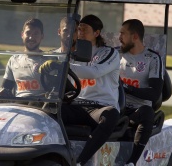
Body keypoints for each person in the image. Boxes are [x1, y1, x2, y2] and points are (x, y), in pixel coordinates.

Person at [60, 14, 121, 165]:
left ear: (96, 33)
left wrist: (64, 66)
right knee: (50, 109)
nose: (80, 33)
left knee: (110, 115)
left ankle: (80, 162)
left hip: (99, 107)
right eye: (78, 29)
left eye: (84, 29)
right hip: (77, 105)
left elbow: (94, 72)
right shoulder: (72, 53)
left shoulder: (110, 53)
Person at [118, 19, 164, 166]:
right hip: (115, 107)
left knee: (147, 112)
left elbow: (154, 94)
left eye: (123, 34)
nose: (119, 38)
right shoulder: (114, 54)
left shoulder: (153, 58)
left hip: (136, 111)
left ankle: (132, 162)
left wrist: (125, 88)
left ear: (135, 37)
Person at [0, 18, 46, 97]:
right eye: (28, 33)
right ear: (22, 35)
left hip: (39, 105)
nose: (31, 37)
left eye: (35, 34)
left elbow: (53, 93)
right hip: (19, 105)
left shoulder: (48, 61)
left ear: (42, 36)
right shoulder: (14, 59)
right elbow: (5, 88)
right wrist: (1, 92)